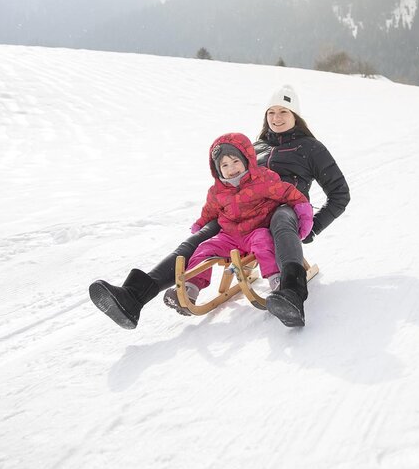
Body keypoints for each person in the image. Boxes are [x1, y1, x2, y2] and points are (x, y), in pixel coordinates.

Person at [89, 84, 350, 328]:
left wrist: (312, 227)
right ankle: (135, 295)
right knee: (201, 237)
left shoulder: (311, 148)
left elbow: (340, 194)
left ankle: (291, 292)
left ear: (296, 115)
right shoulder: (255, 146)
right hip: (243, 212)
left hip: (285, 208)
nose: (276, 117)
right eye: (271, 112)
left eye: (284, 111)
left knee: (281, 219)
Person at [161, 132, 313, 314]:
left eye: (235, 161)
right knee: (204, 248)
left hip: (257, 231)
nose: (231, 168)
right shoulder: (216, 191)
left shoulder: (263, 179)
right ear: (217, 169)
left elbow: (289, 193)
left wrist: (303, 212)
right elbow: (209, 212)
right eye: (224, 165)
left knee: (264, 243)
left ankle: (278, 282)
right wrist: (200, 224)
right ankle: (189, 289)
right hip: (229, 236)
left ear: (246, 160)